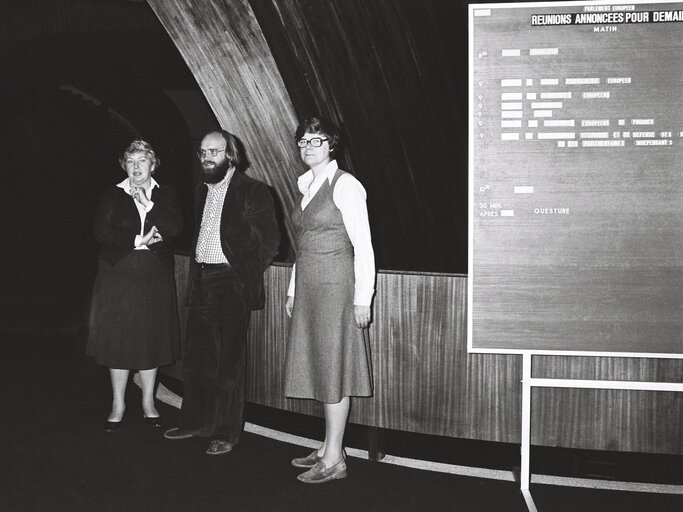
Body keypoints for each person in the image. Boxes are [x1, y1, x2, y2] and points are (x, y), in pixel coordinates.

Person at [164, 130, 280, 456]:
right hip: (201, 278)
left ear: (231, 154)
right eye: (202, 152)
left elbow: (271, 242)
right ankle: (196, 422)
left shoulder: (254, 190)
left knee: (230, 361)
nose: (206, 157)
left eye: (214, 151)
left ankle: (226, 432)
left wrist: (243, 274)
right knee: (198, 357)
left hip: (231, 283)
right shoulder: (203, 189)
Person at [284, 116, 375, 483]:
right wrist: (293, 290)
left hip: (336, 287)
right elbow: (302, 245)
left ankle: (335, 458)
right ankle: (327, 446)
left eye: (316, 140)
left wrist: (362, 297)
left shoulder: (346, 184)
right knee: (323, 366)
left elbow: (363, 245)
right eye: (303, 141)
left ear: (331, 145)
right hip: (310, 286)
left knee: (333, 367)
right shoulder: (307, 184)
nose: (308, 147)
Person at [86, 139, 183, 432]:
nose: (136, 167)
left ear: (153, 164)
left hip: (154, 275)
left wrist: (148, 205)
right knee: (118, 339)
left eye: (142, 161)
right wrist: (136, 241)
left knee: (149, 337)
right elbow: (101, 232)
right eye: (131, 162)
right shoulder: (113, 194)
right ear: (124, 165)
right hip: (118, 274)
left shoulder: (164, 194)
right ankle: (118, 404)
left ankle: (148, 403)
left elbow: (175, 228)